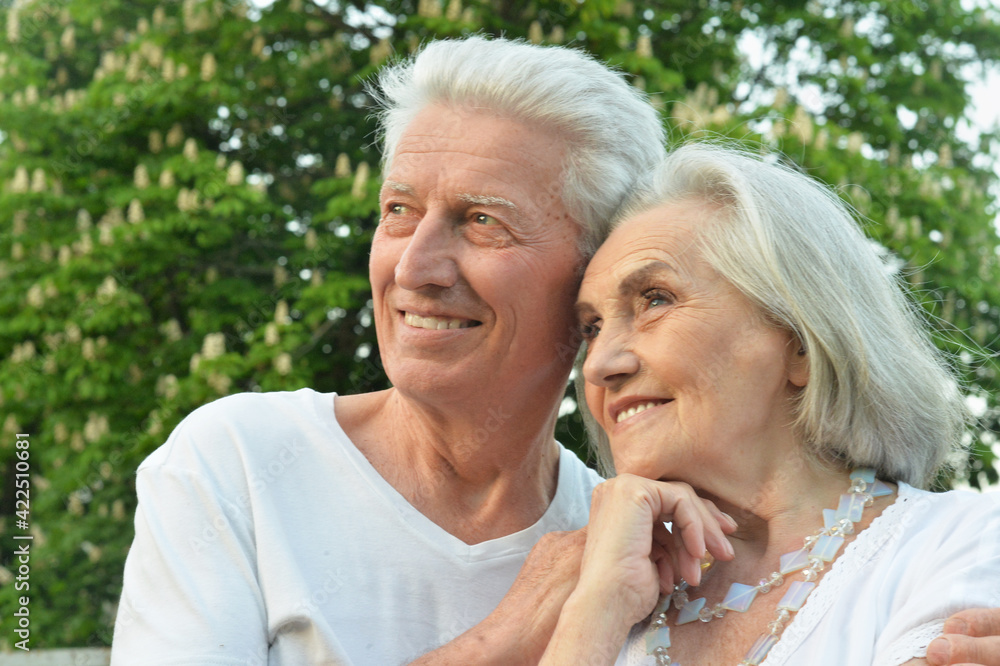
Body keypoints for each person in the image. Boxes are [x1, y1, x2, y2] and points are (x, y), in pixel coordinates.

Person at [110, 36, 1000, 665]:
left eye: (481, 221)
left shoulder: (646, 549)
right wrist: (533, 618)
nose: (414, 267)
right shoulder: (237, 462)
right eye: (397, 211)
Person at [541, 143, 1000, 665]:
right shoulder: (601, 585)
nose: (599, 364)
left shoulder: (964, 542)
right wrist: (593, 614)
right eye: (592, 328)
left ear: (802, 342)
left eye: (654, 299)